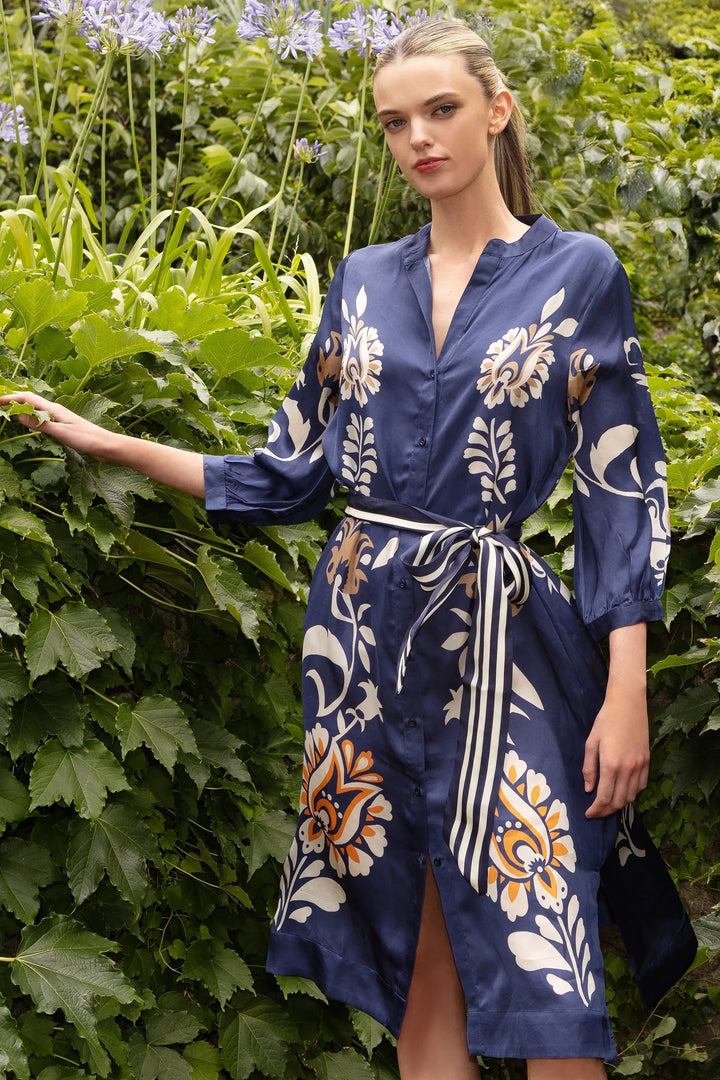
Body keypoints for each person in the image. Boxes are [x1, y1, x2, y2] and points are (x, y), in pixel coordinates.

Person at [1, 18, 696, 1080]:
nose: (417, 137)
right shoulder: (364, 277)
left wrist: (627, 689)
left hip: (504, 646)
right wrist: (107, 440)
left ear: (497, 111)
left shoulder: (579, 272)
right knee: (418, 939)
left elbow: (619, 485)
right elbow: (290, 470)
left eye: (441, 111)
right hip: (365, 642)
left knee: (542, 933)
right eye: (394, 122)